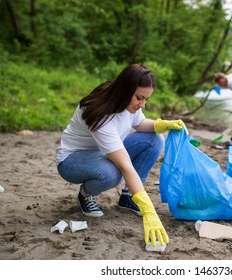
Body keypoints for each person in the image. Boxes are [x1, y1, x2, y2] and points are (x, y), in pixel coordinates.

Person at [56, 63, 185, 247]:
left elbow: (139, 124)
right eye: (140, 98)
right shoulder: (101, 114)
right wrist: (149, 211)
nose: (142, 104)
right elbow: (125, 166)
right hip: (73, 160)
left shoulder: (125, 99)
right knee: (112, 173)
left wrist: (163, 124)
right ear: (126, 90)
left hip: (104, 152)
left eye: (146, 99)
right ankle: (85, 194)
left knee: (155, 139)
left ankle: (128, 197)